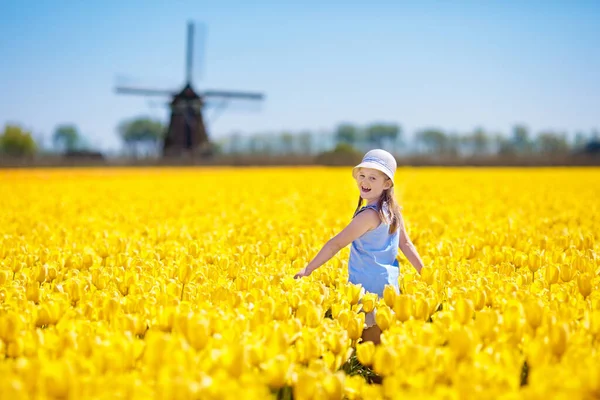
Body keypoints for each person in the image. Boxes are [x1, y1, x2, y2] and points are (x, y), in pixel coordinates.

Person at [294, 149, 425, 344]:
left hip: (367, 292)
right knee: (382, 345)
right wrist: (425, 272)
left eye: (373, 177)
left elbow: (336, 244)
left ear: (387, 183)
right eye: (362, 176)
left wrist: (308, 269)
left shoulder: (369, 215)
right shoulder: (393, 212)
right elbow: (406, 244)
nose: (365, 182)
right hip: (389, 289)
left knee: (370, 349)